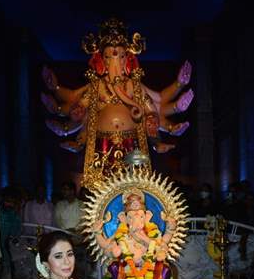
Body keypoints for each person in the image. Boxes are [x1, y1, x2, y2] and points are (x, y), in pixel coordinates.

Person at [42, 18, 193, 189]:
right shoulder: (97, 86)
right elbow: (80, 109)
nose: (115, 62)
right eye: (108, 57)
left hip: (131, 145)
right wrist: (63, 108)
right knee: (102, 193)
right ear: (102, 61)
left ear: (127, 60)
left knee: (133, 191)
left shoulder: (133, 86)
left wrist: (178, 88)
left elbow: (153, 109)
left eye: (121, 57)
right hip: (102, 146)